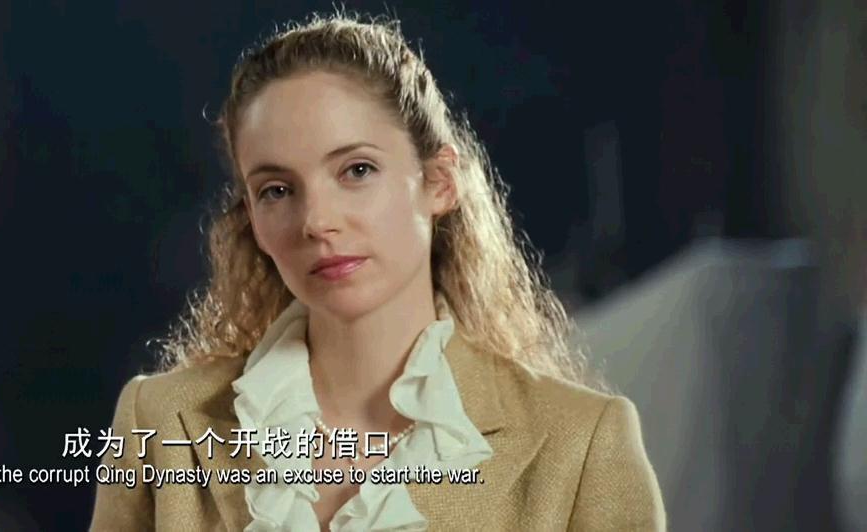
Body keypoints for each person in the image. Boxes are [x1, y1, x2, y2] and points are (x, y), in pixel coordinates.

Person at [90, 12, 664, 531]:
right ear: (252, 221)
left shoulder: (582, 445)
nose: (317, 221)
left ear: (439, 182)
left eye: (357, 170)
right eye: (277, 190)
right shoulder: (160, 424)